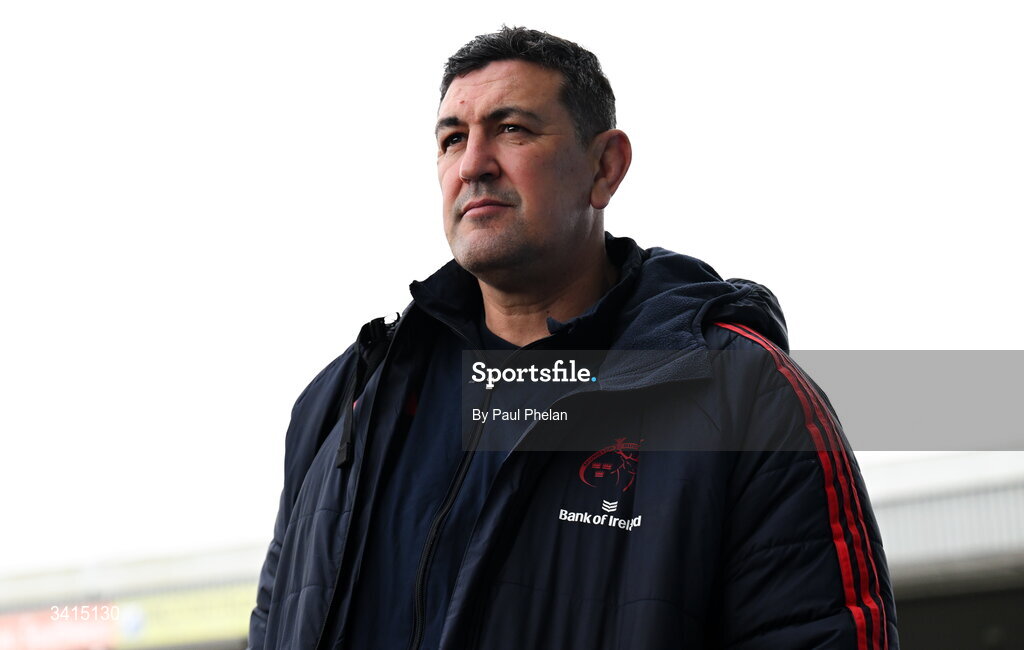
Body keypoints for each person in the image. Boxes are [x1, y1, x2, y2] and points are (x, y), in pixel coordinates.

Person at [247, 26, 899, 650]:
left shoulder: (748, 399)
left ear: (605, 167)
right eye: (452, 139)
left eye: (511, 129)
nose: (473, 164)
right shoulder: (344, 405)